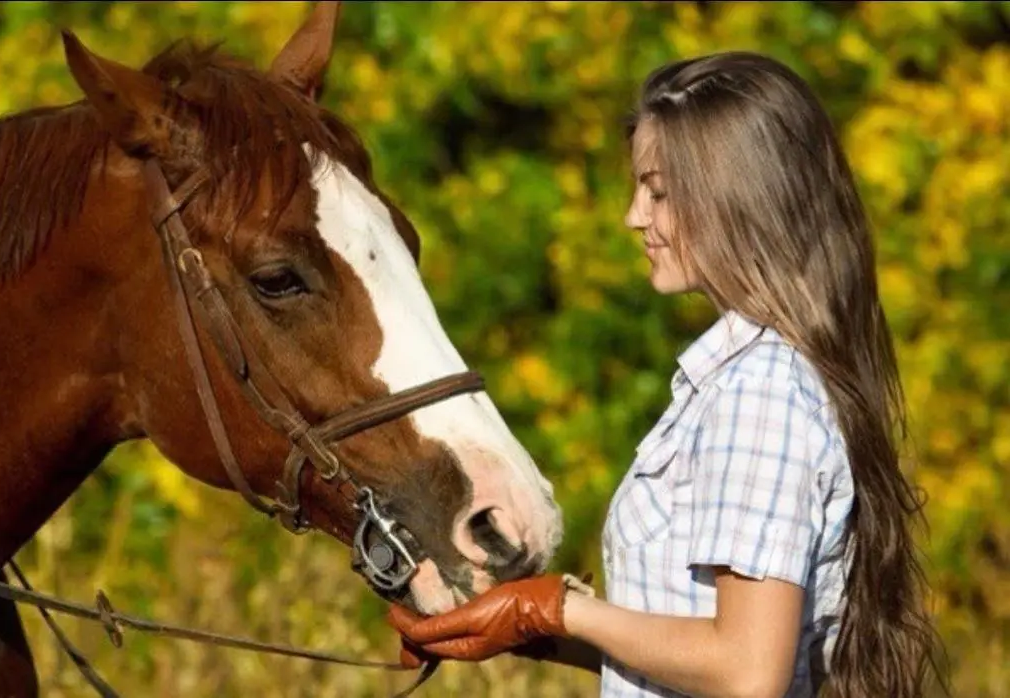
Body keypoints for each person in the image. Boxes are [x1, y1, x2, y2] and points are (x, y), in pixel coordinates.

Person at [387, 51, 946, 698]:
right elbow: (693, 652)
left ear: (737, 195)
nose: (633, 216)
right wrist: (524, 629)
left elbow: (744, 672)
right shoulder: (740, 381)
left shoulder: (758, 391)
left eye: (658, 191)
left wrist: (555, 608)